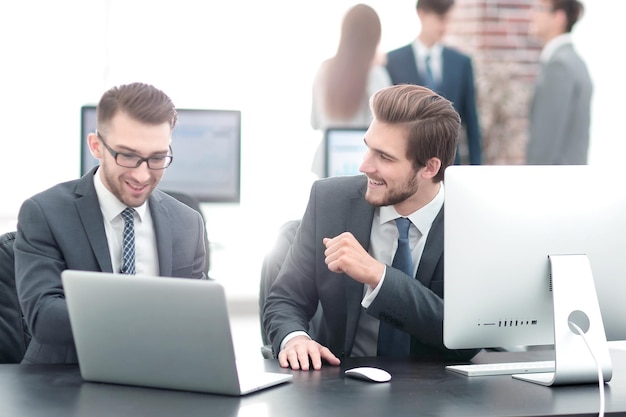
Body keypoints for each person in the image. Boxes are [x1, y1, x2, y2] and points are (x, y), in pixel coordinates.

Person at [263, 84, 481, 371]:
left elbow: (467, 336)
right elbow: (284, 300)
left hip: (436, 389)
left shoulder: (472, 222)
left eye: (385, 157)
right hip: (341, 383)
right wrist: (295, 339)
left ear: (429, 168)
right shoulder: (329, 201)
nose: (364, 165)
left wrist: (380, 277)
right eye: (367, 148)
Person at [14, 82, 208, 364]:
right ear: (96, 146)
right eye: (127, 156)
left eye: (157, 158)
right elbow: (45, 318)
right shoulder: (45, 213)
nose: (142, 175)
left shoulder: (187, 222)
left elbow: (197, 314)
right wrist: (145, 314)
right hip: (65, 382)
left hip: (160, 375)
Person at [385, 0, 482, 166]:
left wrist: (476, 168)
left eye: (447, 19)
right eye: (439, 18)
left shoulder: (461, 63)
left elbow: (471, 123)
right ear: (421, 14)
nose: (444, 26)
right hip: (407, 165)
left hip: (450, 166)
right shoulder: (393, 61)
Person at [310, 3, 392, 177]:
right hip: (360, 161)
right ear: (375, 37)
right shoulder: (376, 74)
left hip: (325, 161)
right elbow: (386, 125)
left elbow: (315, 122)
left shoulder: (324, 69)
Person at [525, 0, 591, 165]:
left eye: (540, 9)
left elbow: (545, 140)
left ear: (559, 18)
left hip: (555, 182)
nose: (532, 15)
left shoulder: (559, 65)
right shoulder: (572, 60)